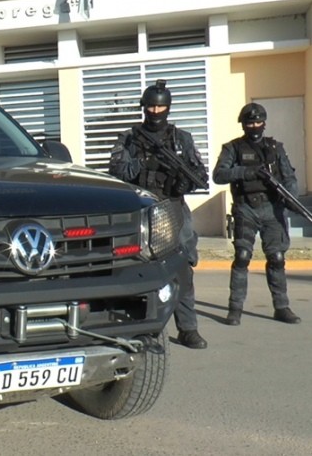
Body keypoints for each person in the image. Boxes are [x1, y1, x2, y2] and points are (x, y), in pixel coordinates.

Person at [109, 79, 208, 349]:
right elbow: (116, 171)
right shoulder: (129, 138)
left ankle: (188, 328)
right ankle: (145, 332)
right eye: (151, 106)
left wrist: (183, 182)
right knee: (141, 271)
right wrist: (144, 163)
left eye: (160, 107)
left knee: (183, 270)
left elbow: (200, 173)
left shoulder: (181, 139)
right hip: (142, 209)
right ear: (144, 107)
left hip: (173, 208)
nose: (156, 112)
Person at [212, 103, 301, 325]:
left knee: (277, 258)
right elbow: (219, 175)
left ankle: (281, 306)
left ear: (264, 123)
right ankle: (235, 309)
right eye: (250, 122)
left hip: (272, 208)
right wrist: (247, 172)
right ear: (243, 124)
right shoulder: (232, 148)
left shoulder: (275, 147)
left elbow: (289, 176)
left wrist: (290, 196)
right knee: (242, 257)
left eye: (258, 122)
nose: (254, 126)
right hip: (246, 207)